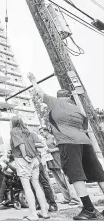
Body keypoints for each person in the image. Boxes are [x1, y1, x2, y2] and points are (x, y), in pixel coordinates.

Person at [28, 72, 104, 220]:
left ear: (58, 97)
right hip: (85, 142)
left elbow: (39, 92)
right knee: (99, 174)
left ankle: (89, 209)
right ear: (69, 97)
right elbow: (84, 126)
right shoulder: (77, 109)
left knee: (76, 176)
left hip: (68, 143)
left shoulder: (54, 102)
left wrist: (33, 80)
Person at [10, 116, 49, 220]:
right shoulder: (29, 132)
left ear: (13, 123)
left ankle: (33, 214)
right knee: (36, 185)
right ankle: (44, 212)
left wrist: (24, 155)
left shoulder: (14, 131)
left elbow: (20, 143)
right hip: (35, 159)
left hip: (23, 160)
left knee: (27, 187)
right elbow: (39, 144)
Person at [40, 127, 80, 206]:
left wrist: (52, 150)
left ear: (47, 131)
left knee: (65, 179)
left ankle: (74, 198)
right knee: (59, 181)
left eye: (42, 132)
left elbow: (61, 147)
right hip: (50, 162)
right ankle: (66, 198)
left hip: (58, 160)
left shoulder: (53, 138)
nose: (41, 134)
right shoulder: (44, 141)